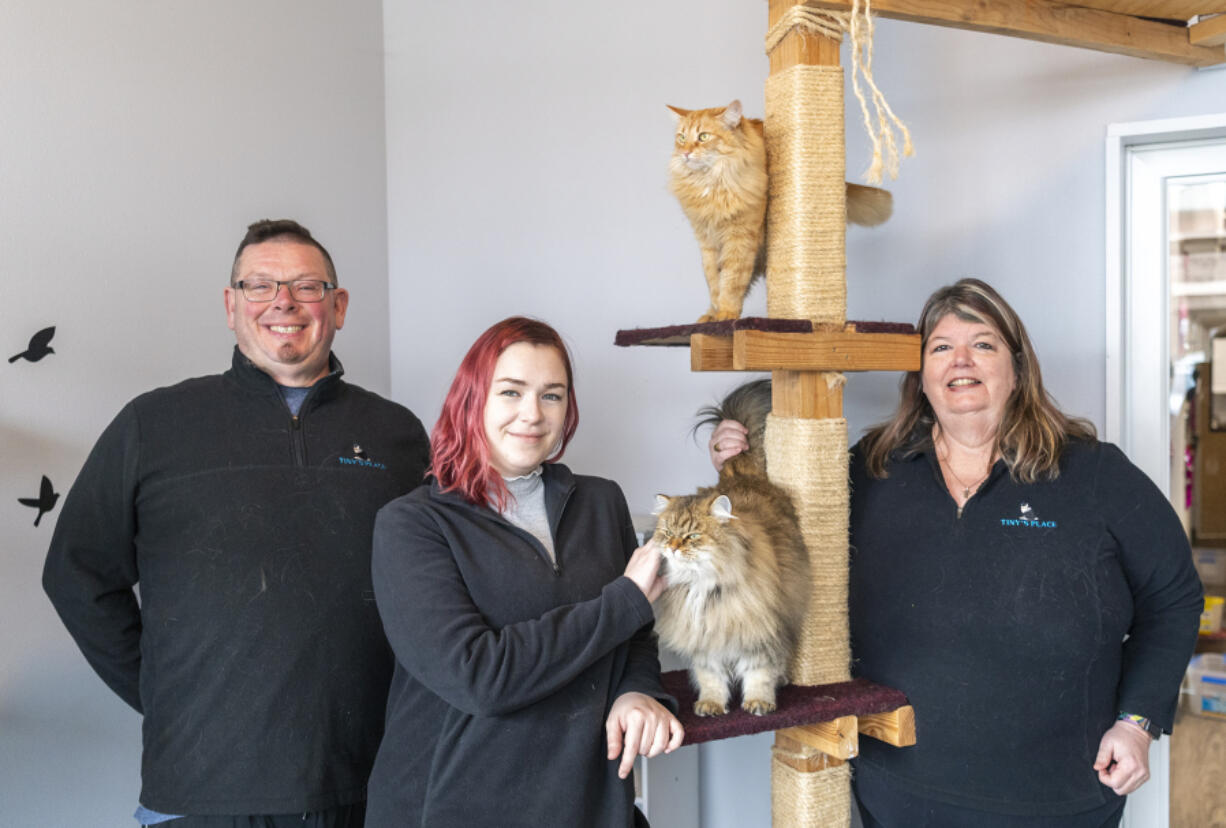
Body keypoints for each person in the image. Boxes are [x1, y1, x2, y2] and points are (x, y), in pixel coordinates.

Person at [708, 278, 1203, 827]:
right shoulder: (871, 469)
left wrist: (1137, 723)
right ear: (921, 376)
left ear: (1017, 369)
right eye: (941, 347)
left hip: (1061, 798)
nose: (960, 360)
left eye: (983, 344)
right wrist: (741, 463)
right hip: (899, 793)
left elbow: (1174, 598)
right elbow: (780, 538)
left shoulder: (1095, 473)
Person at [42, 219, 431, 827]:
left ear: (339, 305)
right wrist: (161, 691)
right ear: (231, 305)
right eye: (260, 285)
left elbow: (435, 591)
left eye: (307, 286)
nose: (284, 302)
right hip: (199, 794)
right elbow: (76, 575)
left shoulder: (400, 434)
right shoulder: (153, 425)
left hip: (369, 788)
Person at [366, 316, 684, 827]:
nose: (532, 415)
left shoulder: (602, 502)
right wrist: (622, 601)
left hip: (589, 802)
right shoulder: (412, 524)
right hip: (452, 807)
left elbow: (635, 637)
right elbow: (479, 678)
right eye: (511, 392)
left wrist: (638, 692)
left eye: (552, 395)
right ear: (472, 400)